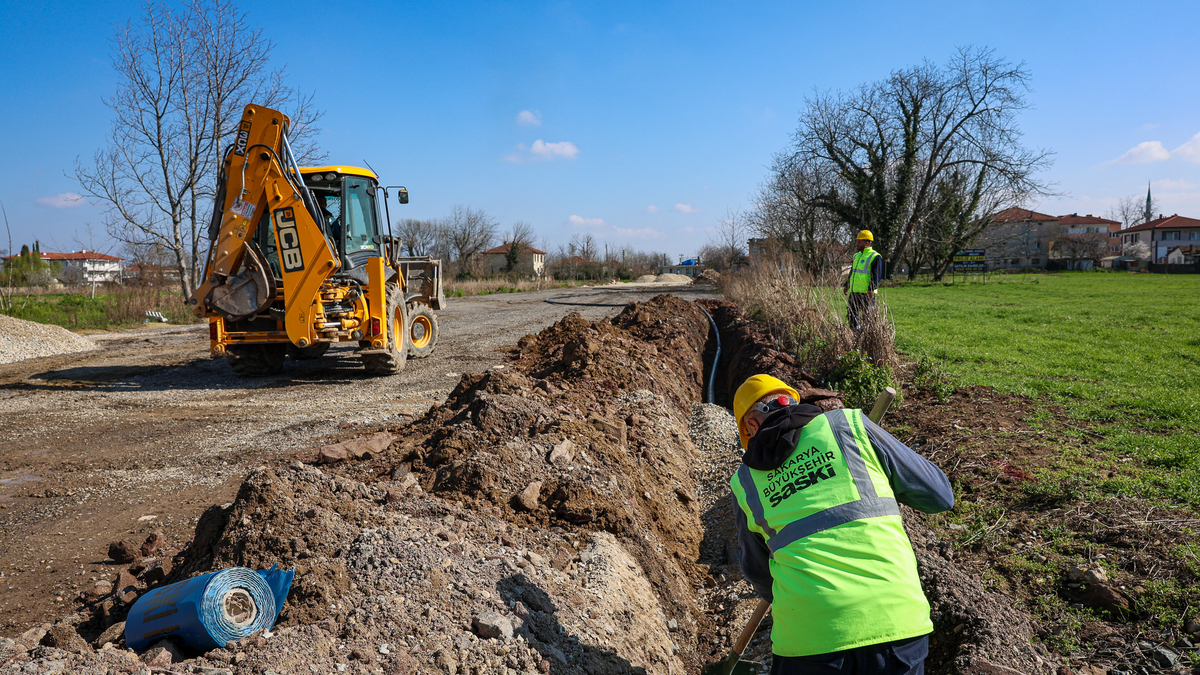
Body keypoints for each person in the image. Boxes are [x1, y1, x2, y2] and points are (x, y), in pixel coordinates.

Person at [728, 374, 954, 675]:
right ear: (792, 401)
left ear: (751, 427)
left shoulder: (745, 482)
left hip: (809, 639)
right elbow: (939, 495)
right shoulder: (849, 426)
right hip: (895, 621)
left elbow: (760, 574)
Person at [843, 230, 883, 332]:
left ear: (867, 243)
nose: (857, 244)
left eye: (859, 242)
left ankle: (868, 336)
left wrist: (871, 289)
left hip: (866, 293)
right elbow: (853, 272)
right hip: (854, 291)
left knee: (868, 316)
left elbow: (876, 274)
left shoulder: (875, 256)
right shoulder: (856, 256)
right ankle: (856, 333)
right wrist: (847, 285)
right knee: (851, 314)